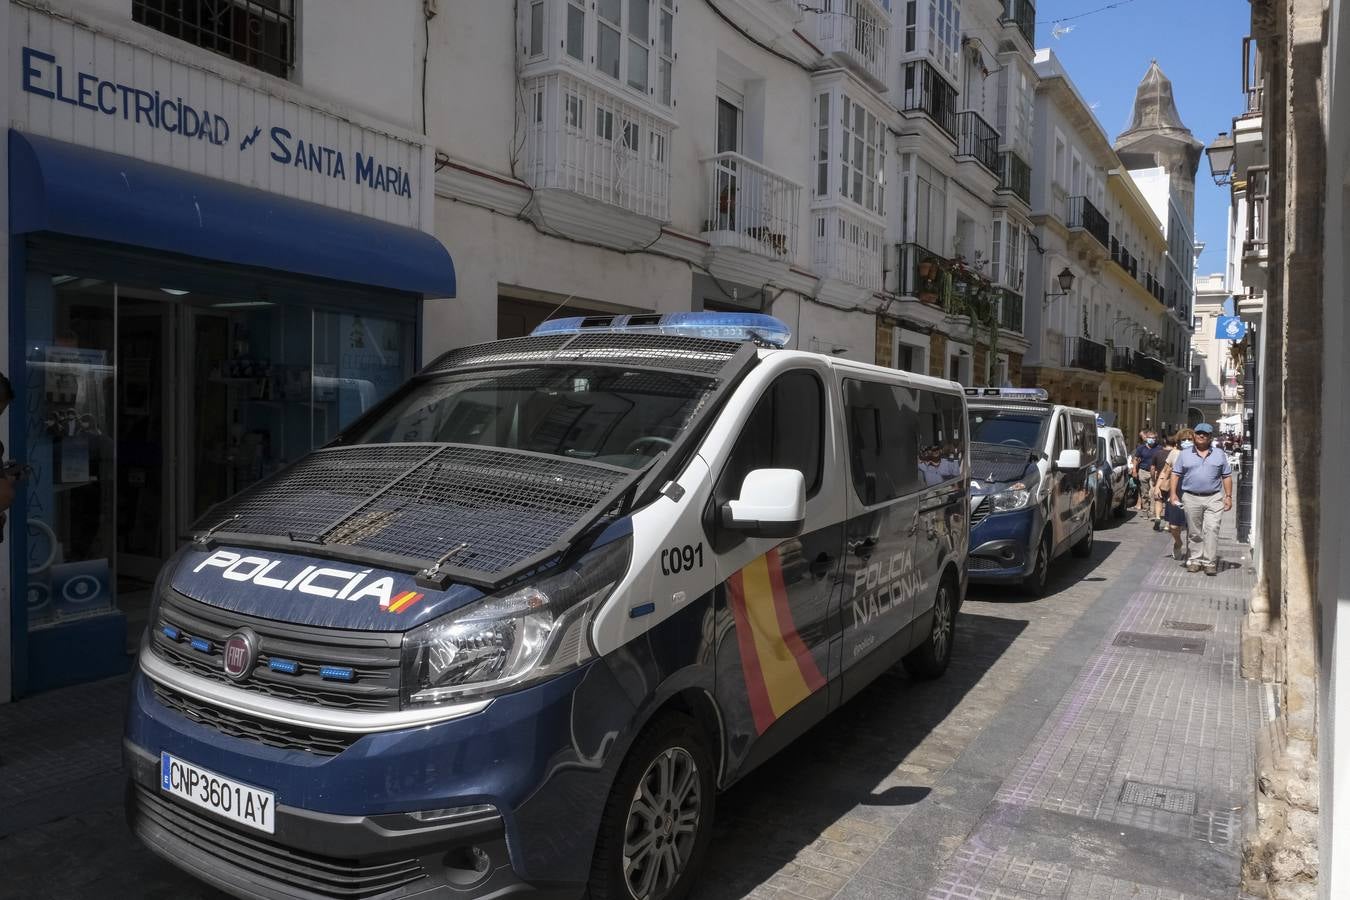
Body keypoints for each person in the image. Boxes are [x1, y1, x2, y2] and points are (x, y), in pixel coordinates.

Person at [1169, 423, 1234, 576]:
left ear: (1210, 437)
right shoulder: (1184, 454)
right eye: (1198, 433)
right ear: (1194, 435)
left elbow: (1226, 476)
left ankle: (1209, 562)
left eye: (1205, 434)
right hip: (1191, 497)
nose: (1201, 436)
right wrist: (1173, 494)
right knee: (1194, 531)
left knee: (1212, 529)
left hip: (1214, 497)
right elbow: (1175, 474)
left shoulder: (1219, 454)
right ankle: (1195, 560)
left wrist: (1228, 496)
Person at [1159, 429, 1194, 559]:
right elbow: (1165, 471)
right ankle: (1178, 542)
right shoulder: (1174, 453)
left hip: (1192, 493)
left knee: (1192, 525)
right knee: (1174, 525)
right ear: (1179, 441)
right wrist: (1158, 486)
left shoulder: (1198, 454)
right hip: (1176, 492)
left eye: (1190, 440)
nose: (1187, 442)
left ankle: (1191, 553)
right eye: (1184, 440)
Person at [1131, 430, 1160, 519]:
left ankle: (1152, 512)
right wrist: (1134, 470)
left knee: (1153, 492)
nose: (1152, 439)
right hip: (1143, 471)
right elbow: (1136, 459)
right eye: (1150, 438)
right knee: (1144, 493)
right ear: (1146, 438)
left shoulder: (1159, 448)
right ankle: (1145, 510)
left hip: (1154, 473)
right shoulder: (1141, 448)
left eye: (1153, 438)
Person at [1150, 434, 1175, 530]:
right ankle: (1168, 523)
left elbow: (1152, 468)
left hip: (1161, 480)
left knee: (1158, 499)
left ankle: (1157, 517)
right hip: (1172, 481)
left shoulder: (1157, 453)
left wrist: (1153, 479)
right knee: (1169, 501)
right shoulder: (1176, 453)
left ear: (1164, 442)